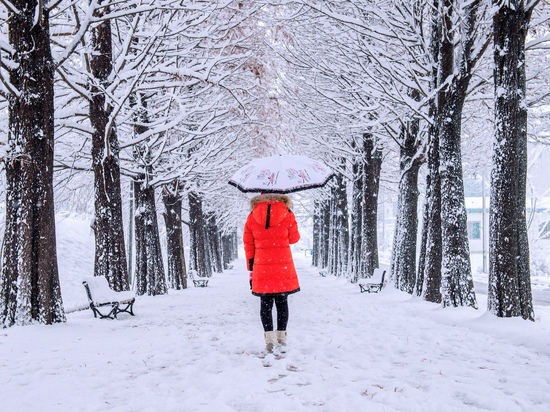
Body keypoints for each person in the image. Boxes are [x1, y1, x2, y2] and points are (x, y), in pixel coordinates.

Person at [243, 193, 300, 353]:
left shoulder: (252, 216)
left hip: (262, 266)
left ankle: (270, 341)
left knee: (265, 304)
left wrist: (251, 268)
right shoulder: (287, 214)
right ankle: (282, 340)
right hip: (283, 266)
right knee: (282, 303)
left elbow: (249, 244)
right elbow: (294, 238)